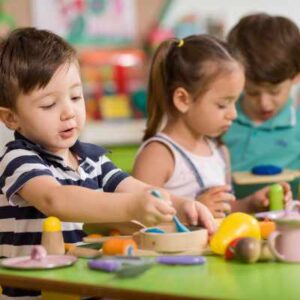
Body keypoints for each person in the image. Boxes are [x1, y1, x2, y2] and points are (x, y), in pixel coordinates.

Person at [0, 28, 215, 299]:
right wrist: (130, 208)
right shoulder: (18, 159)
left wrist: (182, 206)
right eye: (49, 104)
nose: (69, 112)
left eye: (76, 97)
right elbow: (57, 200)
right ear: (11, 118)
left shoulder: (92, 159)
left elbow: (136, 189)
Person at [133, 34, 292, 218]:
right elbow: (137, 222)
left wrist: (251, 204)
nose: (233, 114)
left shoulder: (219, 151)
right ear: (183, 100)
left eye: (235, 102)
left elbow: (224, 211)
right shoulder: (159, 155)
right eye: (222, 105)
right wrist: (193, 211)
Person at [223, 13, 300, 199]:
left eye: (274, 92)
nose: (264, 104)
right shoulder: (219, 120)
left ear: (296, 76)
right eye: (251, 92)